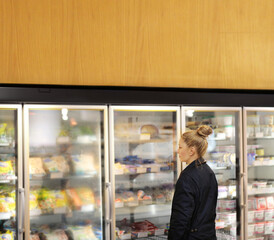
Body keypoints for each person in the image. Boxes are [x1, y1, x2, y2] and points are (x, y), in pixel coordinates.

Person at [168, 125, 218, 240]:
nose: (178, 151)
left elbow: (181, 218)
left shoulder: (187, 177)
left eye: (180, 147)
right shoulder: (209, 172)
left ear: (191, 151)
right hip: (208, 235)